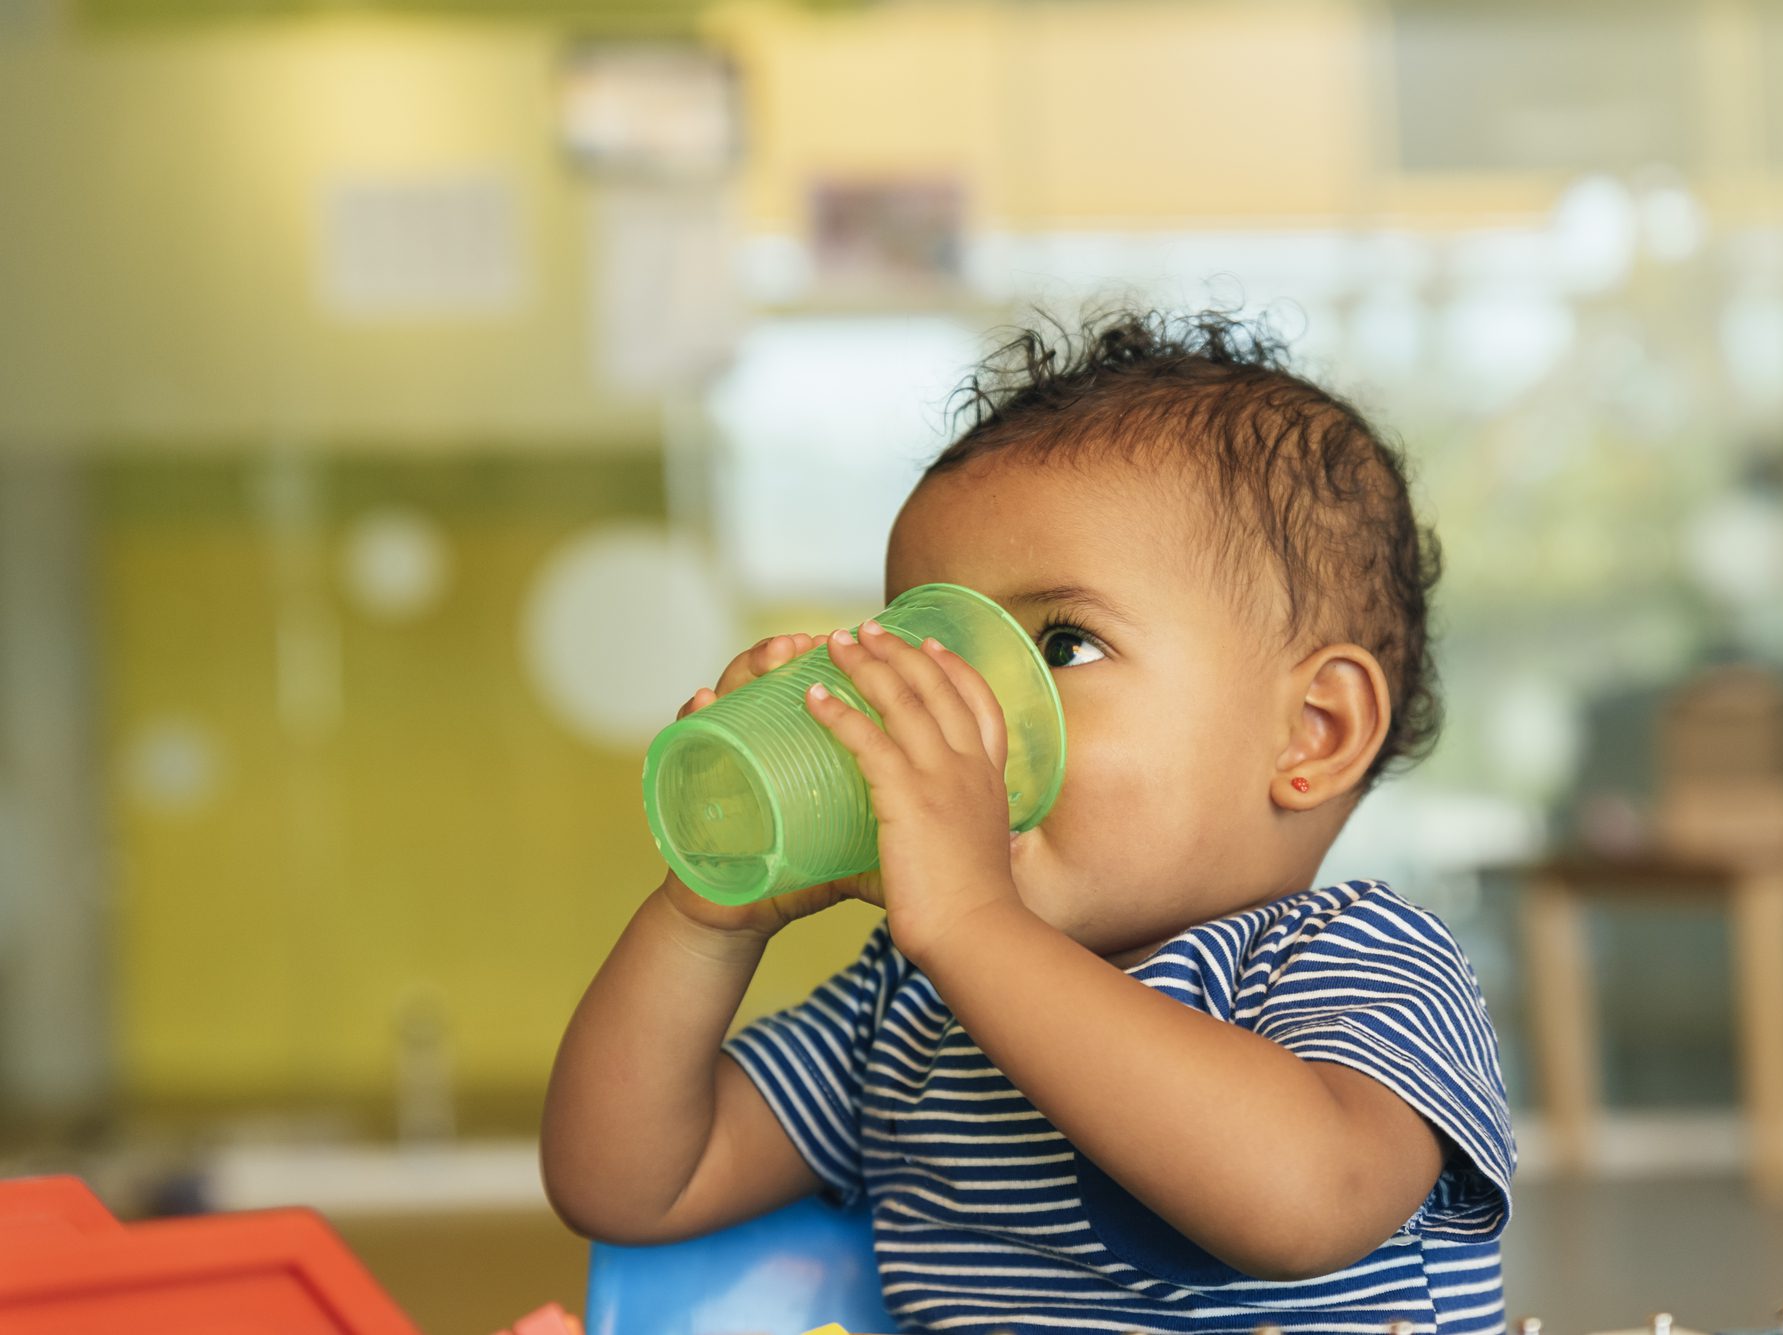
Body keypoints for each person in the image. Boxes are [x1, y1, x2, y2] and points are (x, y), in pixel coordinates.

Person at [541, 306, 1514, 1335]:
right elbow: (631, 1185)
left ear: (1312, 733)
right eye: (935, 654)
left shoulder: (1357, 959)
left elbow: (1304, 1204)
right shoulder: (910, 1007)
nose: (974, 717)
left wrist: (969, 922)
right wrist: (704, 920)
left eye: (1059, 648)